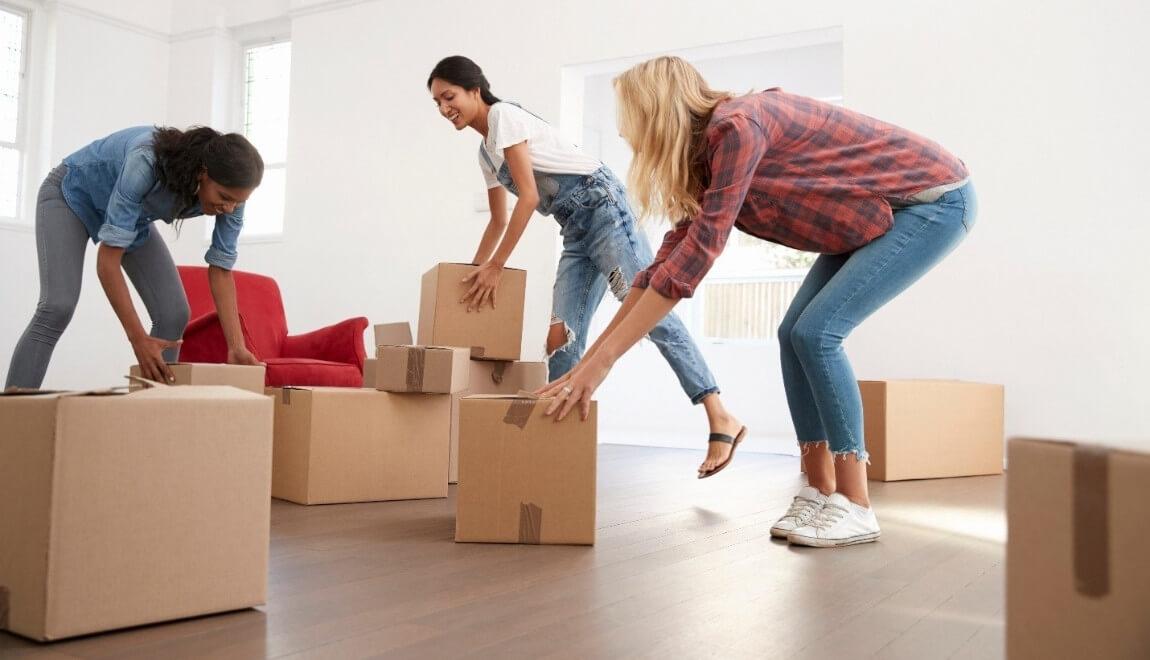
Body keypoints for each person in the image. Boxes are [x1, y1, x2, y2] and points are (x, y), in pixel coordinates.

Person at [540, 56, 976, 548]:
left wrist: (601, 366)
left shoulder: (737, 128)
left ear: (655, 111)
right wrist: (587, 367)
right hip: (871, 217)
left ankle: (855, 506)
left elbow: (698, 256)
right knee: (793, 333)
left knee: (818, 332)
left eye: (629, 117)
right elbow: (659, 270)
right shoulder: (707, 159)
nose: (623, 132)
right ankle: (818, 491)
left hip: (933, 202)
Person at [428, 55, 745, 477]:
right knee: (560, 337)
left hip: (602, 208)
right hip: (575, 228)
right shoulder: (486, 155)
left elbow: (528, 198)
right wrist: (469, 272)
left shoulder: (504, 116)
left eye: (449, 96)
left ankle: (719, 414)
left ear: (474, 90)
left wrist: (497, 267)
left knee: (647, 310)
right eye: (437, 103)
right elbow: (498, 219)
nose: (445, 108)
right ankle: (558, 453)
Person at [5, 125, 265, 388]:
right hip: (70, 195)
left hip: (133, 218)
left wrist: (236, 347)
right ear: (202, 172)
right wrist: (138, 338)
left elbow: (220, 270)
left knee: (174, 313)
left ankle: (152, 413)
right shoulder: (146, 162)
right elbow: (107, 263)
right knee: (57, 307)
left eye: (237, 202)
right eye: (224, 197)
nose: (229, 207)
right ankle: (13, 416)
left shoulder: (232, 202)